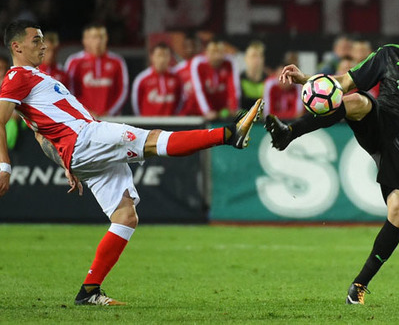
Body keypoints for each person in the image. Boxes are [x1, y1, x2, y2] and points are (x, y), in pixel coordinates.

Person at [0, 20, 265, 306]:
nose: (43, 45)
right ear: (17, 46)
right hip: (86, 138)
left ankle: (89, 291)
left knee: (125, 216)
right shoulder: (16, 77)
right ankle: (230, 134)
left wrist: (67, 162)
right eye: (36, 40)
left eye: (42, 39)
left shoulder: (36, 78)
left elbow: (42, 133)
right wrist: (4, 166)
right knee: (154, 140)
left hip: (80, 150)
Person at [265, 1, 399, 305]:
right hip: (380, 123)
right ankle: (288, 133)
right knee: (357, 100)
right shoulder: (389, 55)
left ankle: (359, 285)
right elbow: (343, 83)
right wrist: (306, 79)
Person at [64, 23, 129, 117]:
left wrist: (110, 113)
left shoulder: (117, 62)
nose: (98, 41)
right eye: (94, 37)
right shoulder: (74, 62)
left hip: (111, 119)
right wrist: (85, 112)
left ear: (106, 38)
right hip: (83, 118)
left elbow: (122, 91)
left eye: (101, 37)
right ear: (86, 40)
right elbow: (68, 91)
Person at [181, 41, 239, 120]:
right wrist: (206, 111)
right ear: (206, 52)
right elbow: (198, 90)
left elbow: (233, 87)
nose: (217, 56)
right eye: (213, 52)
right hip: (198, 113)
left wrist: (234, 107)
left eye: (220, 52)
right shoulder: (198, 63)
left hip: (222, 113)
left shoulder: (229, 62)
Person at [131, 43, 182, 116]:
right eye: (159, 55)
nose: (162, 59)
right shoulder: (142, 79)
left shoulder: (177, 78)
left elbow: (180, 102)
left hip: (171, 121)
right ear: (152, 57)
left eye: (166, 55)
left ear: (170, 57)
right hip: (148, 121)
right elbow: (136, 105)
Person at [240, 41, 267, 110]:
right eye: (253, 56)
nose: (257, 60)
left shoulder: (268, 82)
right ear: (246, 58)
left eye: (260, 56)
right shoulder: (238, 80)